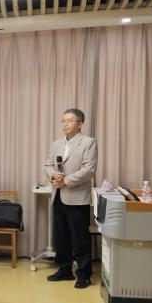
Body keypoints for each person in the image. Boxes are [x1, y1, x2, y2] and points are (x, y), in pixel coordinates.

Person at [44, 108, 98, 289]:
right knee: (61, 236)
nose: (65, 124)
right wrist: (53, 175)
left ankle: (84, 274)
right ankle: (64, 269)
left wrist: (65, 181)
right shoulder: (56, 143)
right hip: (58, 195)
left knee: (79, 238)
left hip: (77, 197)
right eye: (63, 121)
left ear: (80, 124)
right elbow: (48, 164)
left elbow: (89, 170)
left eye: (69, 121)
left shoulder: (88, 142)